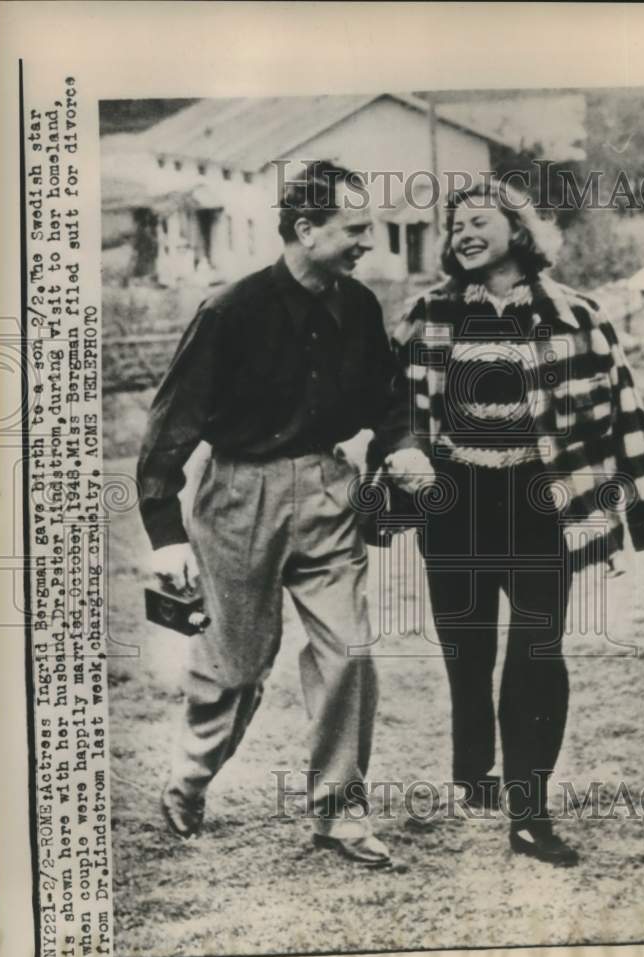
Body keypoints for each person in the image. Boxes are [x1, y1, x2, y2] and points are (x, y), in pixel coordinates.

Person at [375, 179, 644, 866]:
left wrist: (639, 511)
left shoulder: (576, 315)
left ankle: (528, 812)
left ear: (518, 229)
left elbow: (622, 414)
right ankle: (472, 770)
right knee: (466, 648)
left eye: (478, 221)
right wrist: (405, 455)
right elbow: (395, 410)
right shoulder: (425, 315)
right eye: (454, 226)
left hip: (541, 503)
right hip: (455, 502)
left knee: (538, 651)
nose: (463, 234)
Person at [137, 161, 399, 868]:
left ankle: (339, 817)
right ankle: (188, 783)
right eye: (354, 229)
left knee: (350, 653)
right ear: (306, 229)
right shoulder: (231, 311)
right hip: (238, 497)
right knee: (235, 669)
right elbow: (170, 427)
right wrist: (164, 534)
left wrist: (402, 449)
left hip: (325, 489)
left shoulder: (360, 309)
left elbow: (389, 399)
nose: (364, 243)